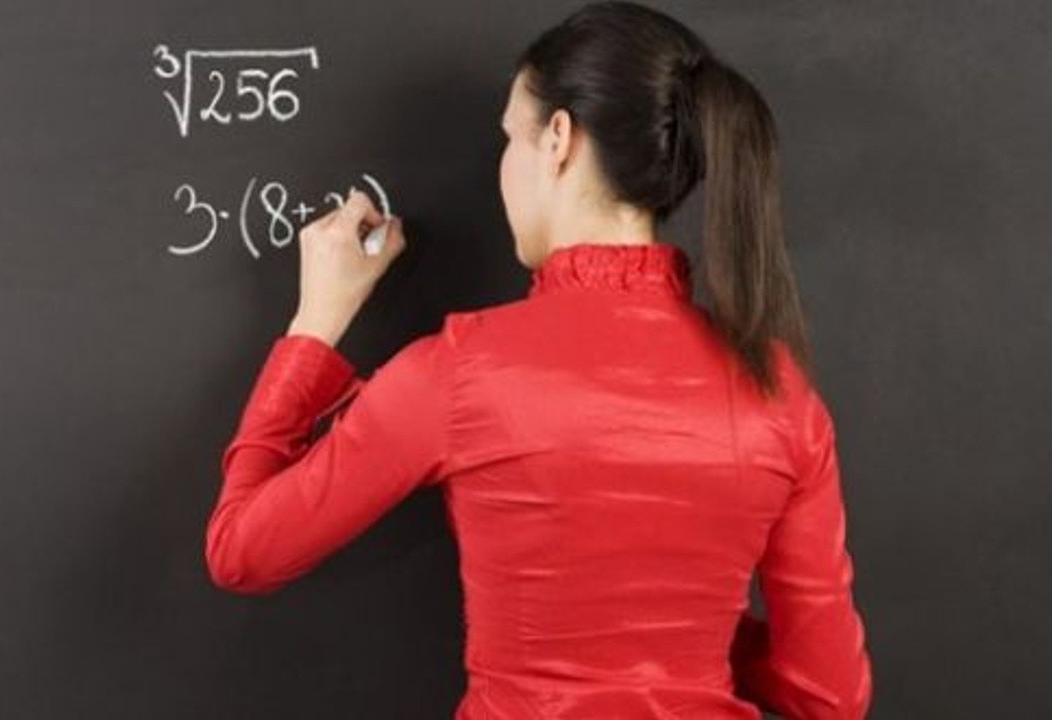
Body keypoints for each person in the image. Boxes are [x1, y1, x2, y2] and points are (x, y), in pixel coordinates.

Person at [204, 1, 873, 717]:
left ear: (558, 138)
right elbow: (829, 694)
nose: (505, 168)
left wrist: (314, 324)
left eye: (509, 139)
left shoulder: (463, 372)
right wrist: (678, 629)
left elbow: (242, 551)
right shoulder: (779, 391)